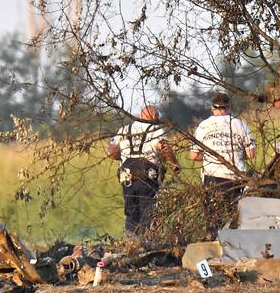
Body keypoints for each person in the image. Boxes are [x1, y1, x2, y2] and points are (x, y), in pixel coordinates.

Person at [106, 104, 177, 239]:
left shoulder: (125, 129)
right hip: (147, 178)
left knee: (131, 214)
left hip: (127, 178)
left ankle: (130, 243)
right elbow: (165, 148)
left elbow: (110, 151)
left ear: (140, 116)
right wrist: (175, 164)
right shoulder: (156, 130)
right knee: (148, 213)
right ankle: (146, 244)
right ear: (155, 117)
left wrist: (123, 157)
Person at [190, 92, 255, 229]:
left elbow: (194, 155)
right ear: (229, 107)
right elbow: (251, 153)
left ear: (212, 108)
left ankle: (215, 246)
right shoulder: (240, 124)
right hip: (237, 178)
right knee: (237, 221)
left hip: (213, 179)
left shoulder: (203, 126)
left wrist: (210, 156)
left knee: (214, 221)